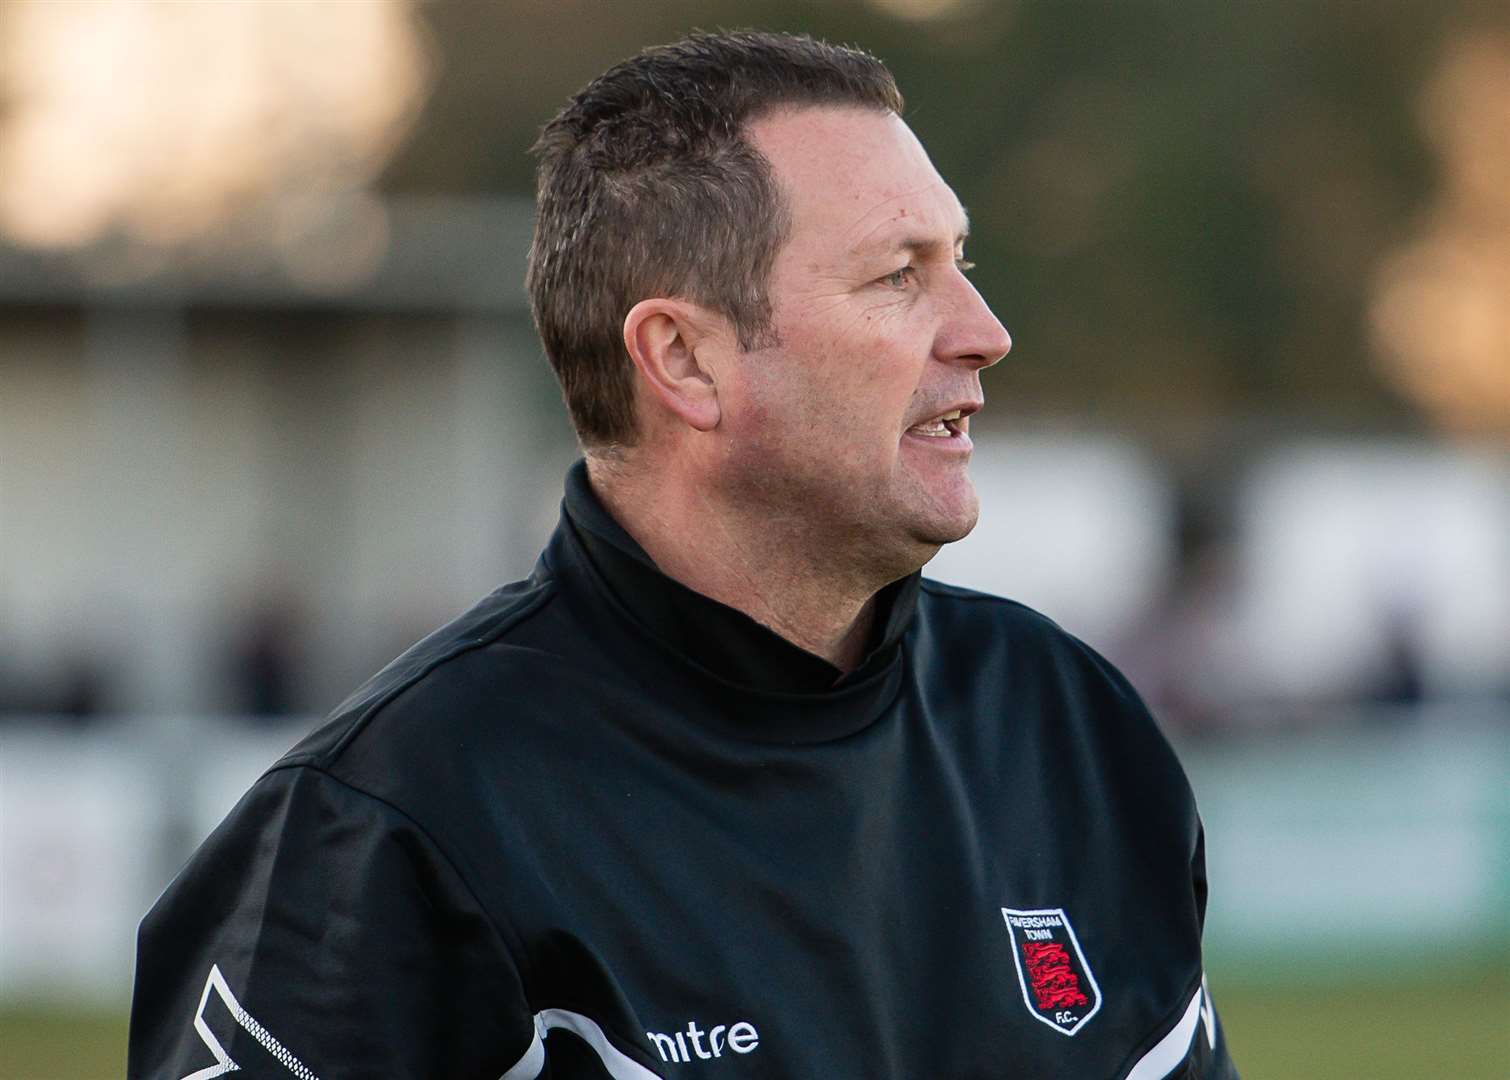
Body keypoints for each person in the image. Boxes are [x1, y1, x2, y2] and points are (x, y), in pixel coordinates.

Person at [129, 31, 1238, 1079]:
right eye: (898, 274)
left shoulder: (1072, 731)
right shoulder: (385, 826)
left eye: (960, 260)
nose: (983, 329)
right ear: (684, 361)